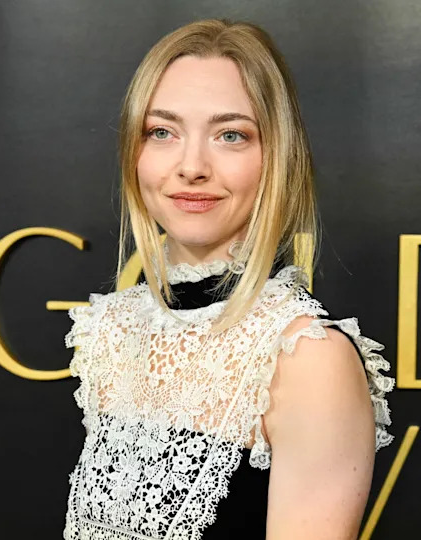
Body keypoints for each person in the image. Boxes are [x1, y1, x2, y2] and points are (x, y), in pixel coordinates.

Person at [63, 19, 394, 540]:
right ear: (135, 152)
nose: (191, 165)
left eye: (231, 135)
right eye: (162, 132)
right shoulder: (112, 328)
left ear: (277, 158)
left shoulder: (305, 357)